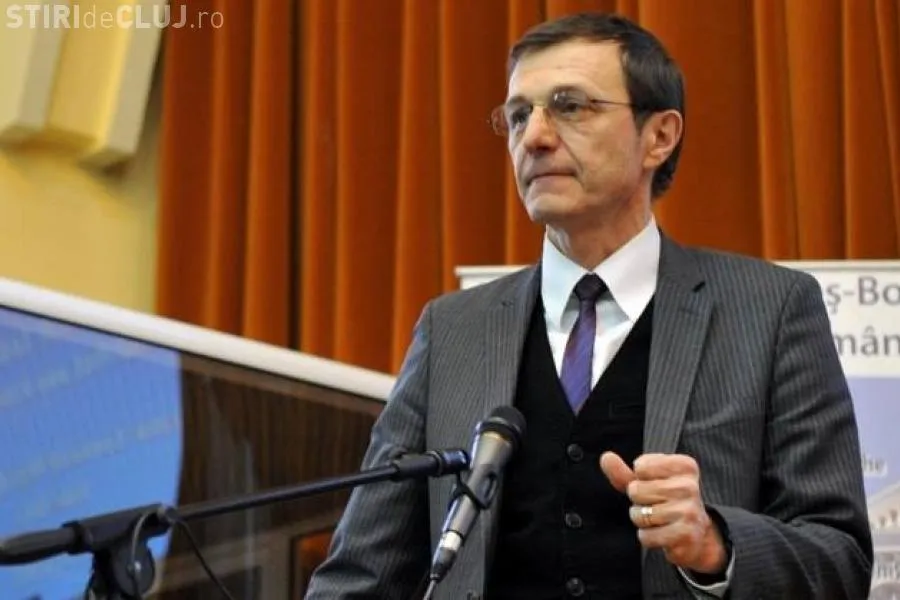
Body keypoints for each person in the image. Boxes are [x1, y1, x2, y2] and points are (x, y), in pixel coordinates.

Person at [304, 11, 873, 600]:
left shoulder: (770, 311)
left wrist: (717, 545)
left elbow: (841, 560)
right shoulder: (453, 331)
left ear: (660, 136)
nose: (534, 136)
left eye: (570, 106)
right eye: (518, 115)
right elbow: (360, 575)